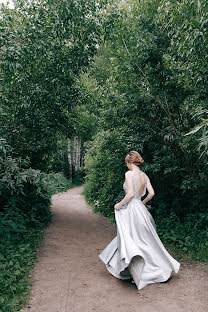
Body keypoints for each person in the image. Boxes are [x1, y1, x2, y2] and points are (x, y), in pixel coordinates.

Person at [98, 151, 180, 291]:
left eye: (126, 164)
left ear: (130, 162)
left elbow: (130, 194)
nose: (126, 166)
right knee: (146, 241)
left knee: (131, 239)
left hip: (132, 210)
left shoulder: (129, 174)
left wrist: (119, 204)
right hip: (141, 210)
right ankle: (155, 270)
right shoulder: (144, 175)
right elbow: (152, 193)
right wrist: (142, 203)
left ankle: (137, 273)